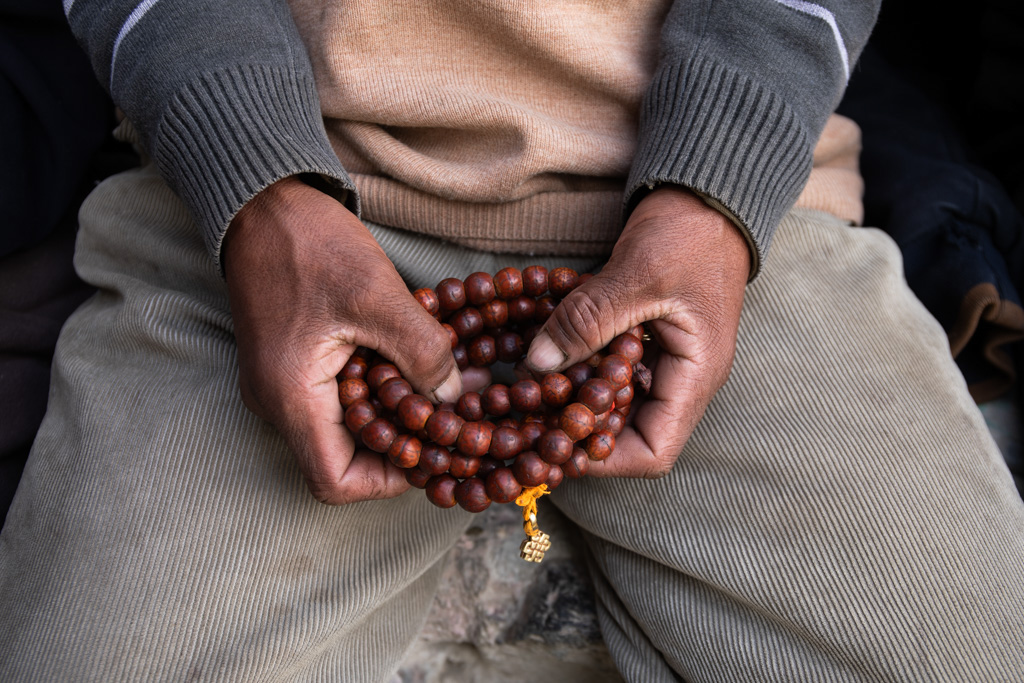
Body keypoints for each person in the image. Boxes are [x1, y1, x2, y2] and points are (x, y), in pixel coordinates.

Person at [2, 1, 1022, 680]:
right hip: (268, 220)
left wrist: (717, 189)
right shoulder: (259, 213)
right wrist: (256, 186)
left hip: (735, 227)